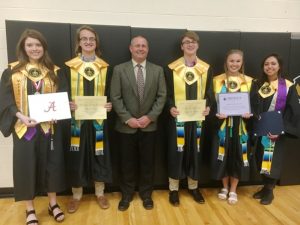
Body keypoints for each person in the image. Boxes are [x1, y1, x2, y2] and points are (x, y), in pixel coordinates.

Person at [0, 29, 66, 224]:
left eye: (38, 45)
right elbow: (5, 100)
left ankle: (53, 203)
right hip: (24, 128)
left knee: (51, 166)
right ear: (23, 47)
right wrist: (20, 116)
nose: (34, 48)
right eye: (30, 45)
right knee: (26, 166)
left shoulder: (53, 71)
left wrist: (57, 114)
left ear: (43, 47)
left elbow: (61, 96)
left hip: (48, 128)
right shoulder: (12, 72)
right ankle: (30, 209)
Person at [110, 35, 166, 211]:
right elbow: (115, 97)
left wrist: (150, 117)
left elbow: (162, 96)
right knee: (126, 163)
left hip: (149, 126)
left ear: (147, 49)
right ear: (130, 48)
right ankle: (126, 194)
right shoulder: (119, 70)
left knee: (148, 163)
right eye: (137, 46)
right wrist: (128, 119)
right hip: (126, 127)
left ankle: (146, 194)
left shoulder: (158, 70)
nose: (140, 48)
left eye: (143, 46)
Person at [65, 25, 112, 213]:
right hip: (77, 122)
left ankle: (100, 192)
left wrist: (110, 105)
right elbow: (63, 92)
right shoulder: (69, 67)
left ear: (96, 42)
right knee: (78, 155)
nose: (88, 41)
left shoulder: (104, 67)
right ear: (78, 42)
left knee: (99, 153)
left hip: (98, 121)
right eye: (84, 38)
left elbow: (111, 93)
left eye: (91, 38)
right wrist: (66, 104)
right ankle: (76, 195)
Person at [165, 31, 214, 206]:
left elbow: (210, 92)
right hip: (178, 120)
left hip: (198, 120)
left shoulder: (206, 69)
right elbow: (167, 93)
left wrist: (209, 106)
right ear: (182, 46)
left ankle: (193, 187)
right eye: (186, 42)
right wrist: (170, 107)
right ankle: (173, 189)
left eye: (193, 42)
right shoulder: (172, 68)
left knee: (195, 152)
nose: (190, 45)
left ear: (198, 45)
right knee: (176, 152)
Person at [211, 49, 254, 204]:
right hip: (222, 126)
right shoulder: (217, 81)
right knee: (223, 156)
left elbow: (254, 105)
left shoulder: (249, 82)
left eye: (237, 61)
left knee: (237, 156)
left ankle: (234, 189)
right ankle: (224, 187)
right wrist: (217, 113)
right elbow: (211, 103)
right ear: (226, 62)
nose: (234, 64)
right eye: (231, 61)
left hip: (240, 127)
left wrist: (250, 114)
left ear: (242, 63)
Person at [251, 53, 293, 205]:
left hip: (276, 132)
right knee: (260, 157)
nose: (270, 67)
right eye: (266, 64)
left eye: (273, 64)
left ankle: (269, 190)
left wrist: (280, 129)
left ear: (279, 66)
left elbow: (292, 111)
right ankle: (264, 187)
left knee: (272, 160)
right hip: (259, 129)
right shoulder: (257, 84)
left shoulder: (287, 87)